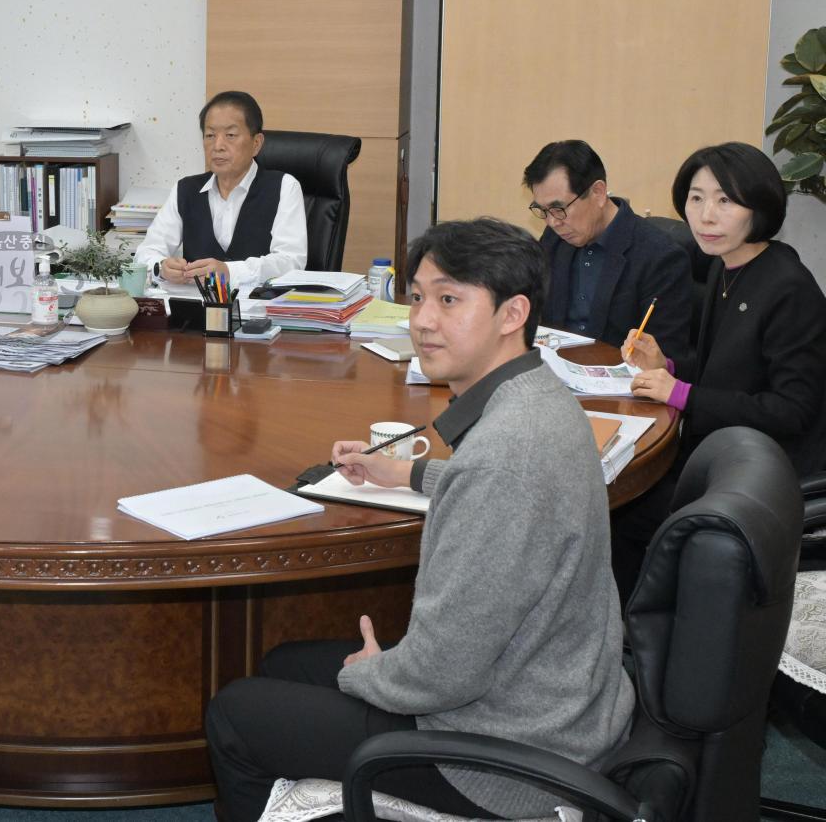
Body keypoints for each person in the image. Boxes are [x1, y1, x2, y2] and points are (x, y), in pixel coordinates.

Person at [206, 218, 632, 821]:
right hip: (558, 700)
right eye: (418, 297)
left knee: (235, 713)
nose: (422, 319)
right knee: (285, 664)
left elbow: (442, 674)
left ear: (512, 314)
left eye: (450, 299)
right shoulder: (539, 396)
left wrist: (370, 674)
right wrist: (407, 475)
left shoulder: (505, 456)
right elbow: (511, 502)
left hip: (505, 756)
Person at [617, 142, 826, 586]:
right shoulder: (726, 265)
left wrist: (682, 395)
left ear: (759, 208)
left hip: (763, 472)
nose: (705, 216)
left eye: (725, 201)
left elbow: (791, 410)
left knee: (619, 508)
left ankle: (642, 639)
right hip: (717, 450)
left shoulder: (789, 288)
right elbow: (726, 369)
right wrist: (669, 366)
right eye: (696, 198)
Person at [522, 139, 693, 359]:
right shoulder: (554, 239)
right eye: (542, 210)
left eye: (558, 208)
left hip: (616, 385)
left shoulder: (661, 257)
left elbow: (664, 359)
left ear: (598, 193)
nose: (552, 222)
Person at [133, 91, 307, 286]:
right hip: (196, 310)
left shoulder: (284, 187)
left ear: (256, 143)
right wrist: (162, 267)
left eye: (230, 135)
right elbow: (145, 254)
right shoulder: (186, 190)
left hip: (261, 310)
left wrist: (230, 271)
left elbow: (291, 261)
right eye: (210, 135)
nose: (218, 145)